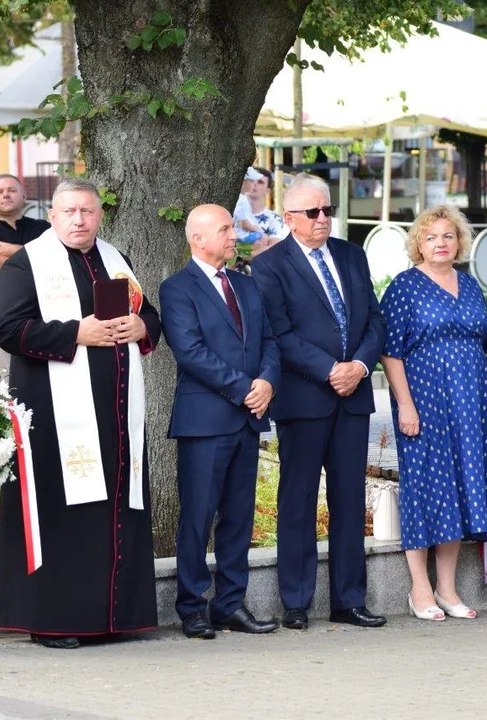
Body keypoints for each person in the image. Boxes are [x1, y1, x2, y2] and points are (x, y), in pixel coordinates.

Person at [0, 178, 160, 649]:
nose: (79, 221)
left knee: (111, 511)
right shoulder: (27, 262)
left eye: (87, 212)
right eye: (69, 212)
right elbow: (9, 329)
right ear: (53, 214)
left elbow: (151, 316)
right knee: (65, 514)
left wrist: (141, 324)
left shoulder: (115, 259)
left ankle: (113, 618)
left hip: (116, 416)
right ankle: (56, 621)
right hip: (53, 418)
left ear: (99, 215)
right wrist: (74, 334)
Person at [251, 173, 387, 630]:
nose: (323, 219)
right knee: (298, 500)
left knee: (350, 500)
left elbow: (374, 321)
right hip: (305, 398)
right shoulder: (271, 265)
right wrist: (330, 369)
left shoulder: (351, 255)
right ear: (289, 218)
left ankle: (349, 600)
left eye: (327, 210)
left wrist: (361, 367)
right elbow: (279, 333)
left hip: (353, 398)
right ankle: (296, 601)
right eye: (312, 213)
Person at [160, 204, 281, 640]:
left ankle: (230, 603)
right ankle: (192, 607)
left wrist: (266, 382)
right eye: (225, 229)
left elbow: (269, 340)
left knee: (238, 518)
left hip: (247, 419)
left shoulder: (246, 286)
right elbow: (190, 352)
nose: (234, 235)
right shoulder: (177, 288)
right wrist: (246, 388)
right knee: (197, 516)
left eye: (232, 227)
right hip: (205, 421)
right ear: (198, 238)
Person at [380, 205, 487, 622]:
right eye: (431, 237)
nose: (440, 244)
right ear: (418, 243)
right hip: (424, 403)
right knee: (426, 488)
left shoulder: (469, 287)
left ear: (459, 242)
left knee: (460, 489)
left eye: (448, 236)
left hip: (470, 403)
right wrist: (405, 404)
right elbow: (390, 352)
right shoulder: (403, 287)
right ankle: (420, 588)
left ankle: (448, 588)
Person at [0, 175, 51, 325]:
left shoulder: (43, 228)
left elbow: (58, 262)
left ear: (24, 196)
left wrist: (16, 250)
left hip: (42, 321)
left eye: (12, 190)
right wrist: (39, 258)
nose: (5, 194)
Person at [248, 167, 288, 254]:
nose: (254, 184)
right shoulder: (231, 214)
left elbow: (273, 251)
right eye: (251, 180)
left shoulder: (275, 218)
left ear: (268, 190)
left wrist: (240, 252)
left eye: (260, 182)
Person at [234, 167, 265, 245]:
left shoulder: (242, 198)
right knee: (263, 238)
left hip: (241, 234)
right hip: (242, 236)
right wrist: (259, 230)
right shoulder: (241, 200)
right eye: (251, 181)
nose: (254, 185)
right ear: (243, 182)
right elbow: (244, 225)